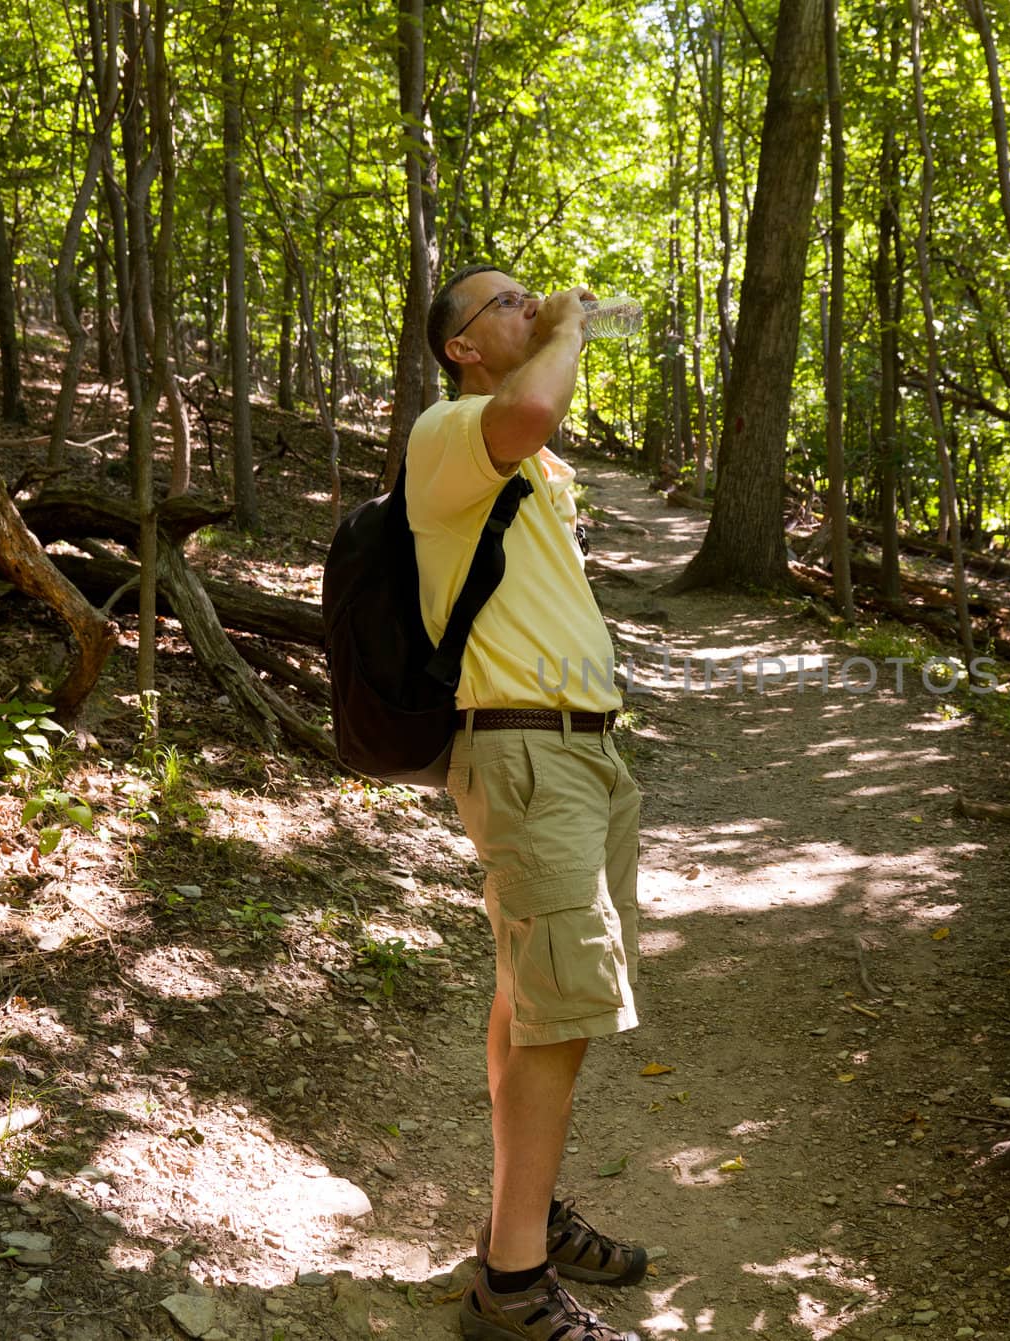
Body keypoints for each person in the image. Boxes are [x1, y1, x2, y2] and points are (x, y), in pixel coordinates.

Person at [409, 264, 645, 1341]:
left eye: (529, 302)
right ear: (460, 347)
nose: (530, 308)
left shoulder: (524, 457)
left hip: (583, 755)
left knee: (536, 994)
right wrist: (569, 327)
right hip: (524, 754)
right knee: (561, 1009)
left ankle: (527, 1218)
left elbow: (543, 414)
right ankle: (507, 1290)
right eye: (503, 304)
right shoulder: (449, 430)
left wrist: (555, 328)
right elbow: (537, 400)